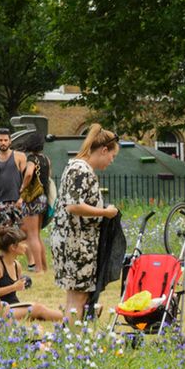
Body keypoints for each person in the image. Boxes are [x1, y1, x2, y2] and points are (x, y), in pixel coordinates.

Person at [51, 124, 121, 321]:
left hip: (72, 240)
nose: (112, 161)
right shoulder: (81, 170)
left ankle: (68, 334)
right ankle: (73, 336)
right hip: (78, 243)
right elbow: (73, 206)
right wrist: (105, 212)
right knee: (80, 297)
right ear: (103, 150)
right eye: (112, 156)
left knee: (74, 295)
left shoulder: (75, 166)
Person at [0, 225, 62, 322]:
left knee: (38, 310)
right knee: (38, 309)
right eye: (23, 243)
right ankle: (69, 317)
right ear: (13, 247)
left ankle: (67, 315)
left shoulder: (17, 265)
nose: (26, 246)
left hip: (13, 306)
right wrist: (13, 287)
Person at [17, 129, 52, 273]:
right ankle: (44, 266)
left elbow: (29, 174)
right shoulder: (46, 159)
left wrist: (23, 187)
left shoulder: (32, 159)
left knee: (31, 235)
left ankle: (38, 268)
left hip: (32, 199)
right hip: (43, 197)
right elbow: (48, 176)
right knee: (37, 235)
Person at [0, 127, 27, 229]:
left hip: (18, 201)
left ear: (10, 141)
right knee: (4, 234)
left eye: (5, 140)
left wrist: (22, 198)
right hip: (1, 202)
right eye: (0, 140)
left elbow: (27, 179)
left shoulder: (20, 156)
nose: (3, 143)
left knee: (23, 233)